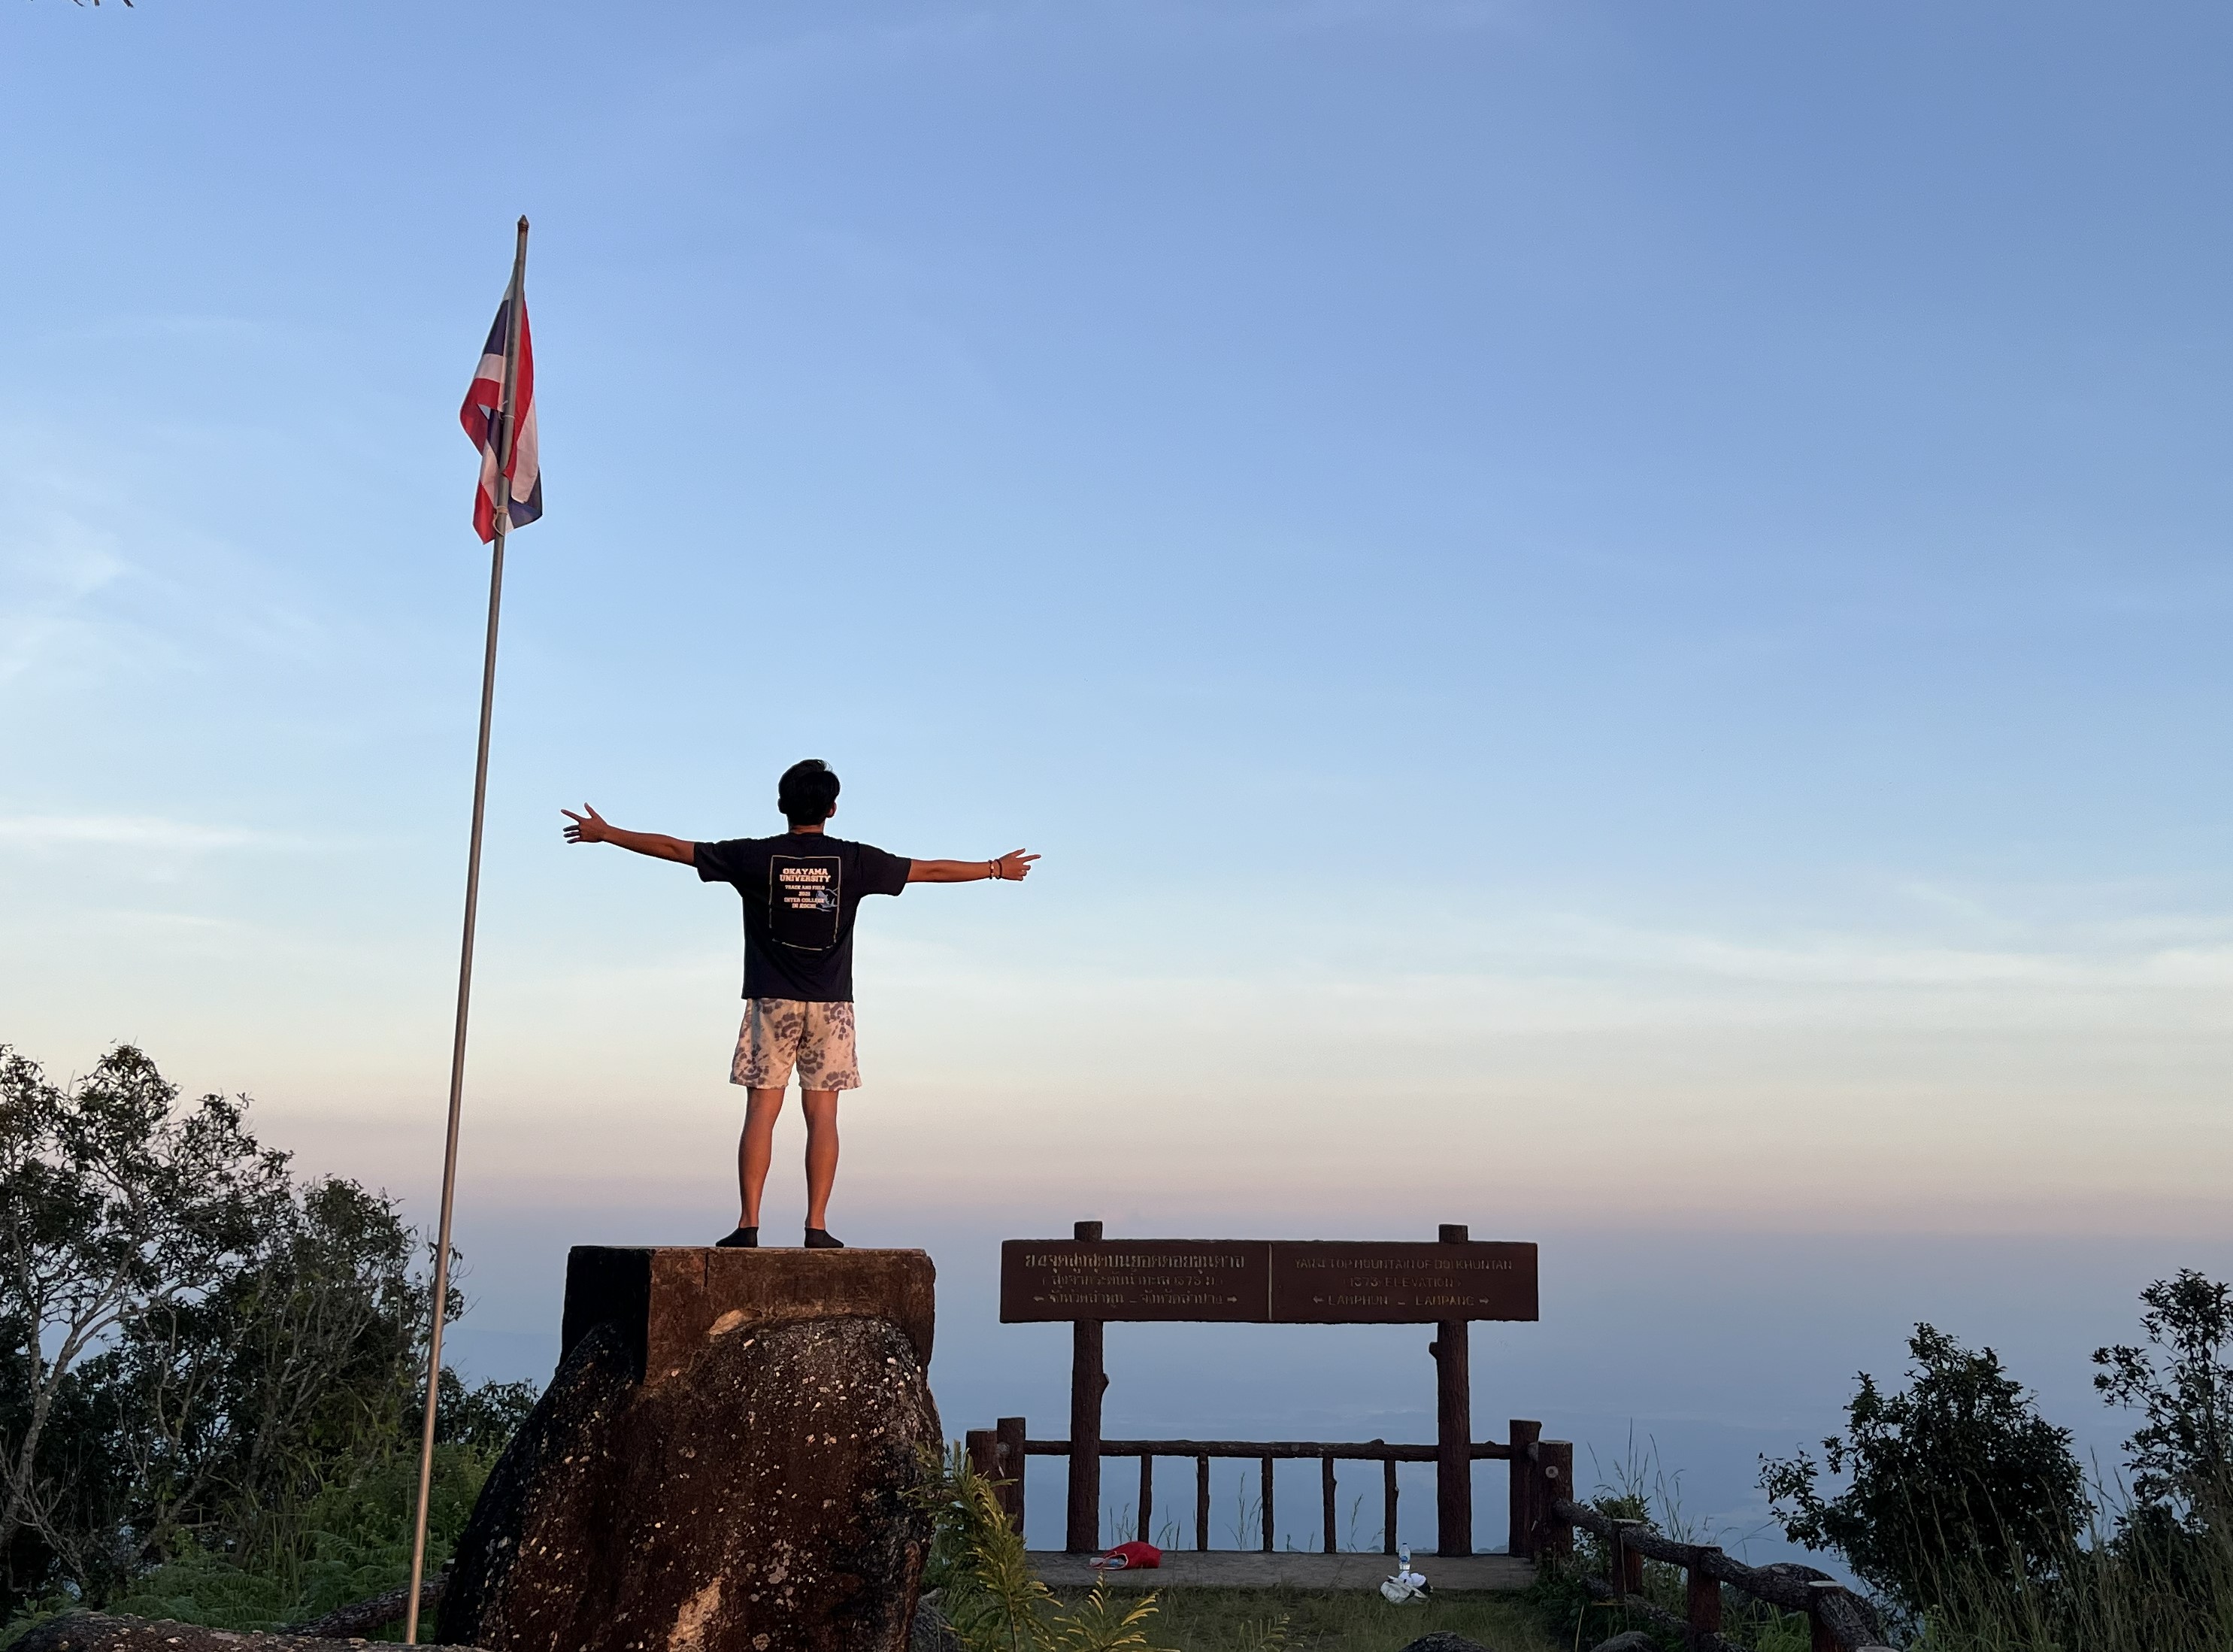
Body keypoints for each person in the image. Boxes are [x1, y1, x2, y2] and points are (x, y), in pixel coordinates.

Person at [561, 759, 1036, 1249]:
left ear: (781, 805)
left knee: (761, 1111)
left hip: (771, 1001)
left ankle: (749, 1223)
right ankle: (817, 1225)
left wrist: (608, 833)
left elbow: (677, 849)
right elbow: (929, 870)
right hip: (831, 1004)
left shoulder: (755, 857)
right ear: (832, 809)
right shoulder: (854, 861)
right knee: (823, 1115)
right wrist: (995, 869)